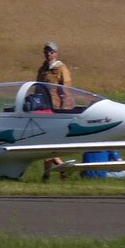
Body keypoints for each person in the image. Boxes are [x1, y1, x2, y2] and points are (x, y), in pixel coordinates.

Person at [37, 41, 73, 181]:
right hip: (43, 108)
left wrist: (65, 109)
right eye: (46, 51)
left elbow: (66, 91)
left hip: (56, 109)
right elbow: (37, 87)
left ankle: (49, 172)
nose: (48, 54)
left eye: (51, 52)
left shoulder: (61, 69)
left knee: (48, 142)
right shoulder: (43, 69)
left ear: (56, 53)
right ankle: (54, 169)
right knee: (44, 141)